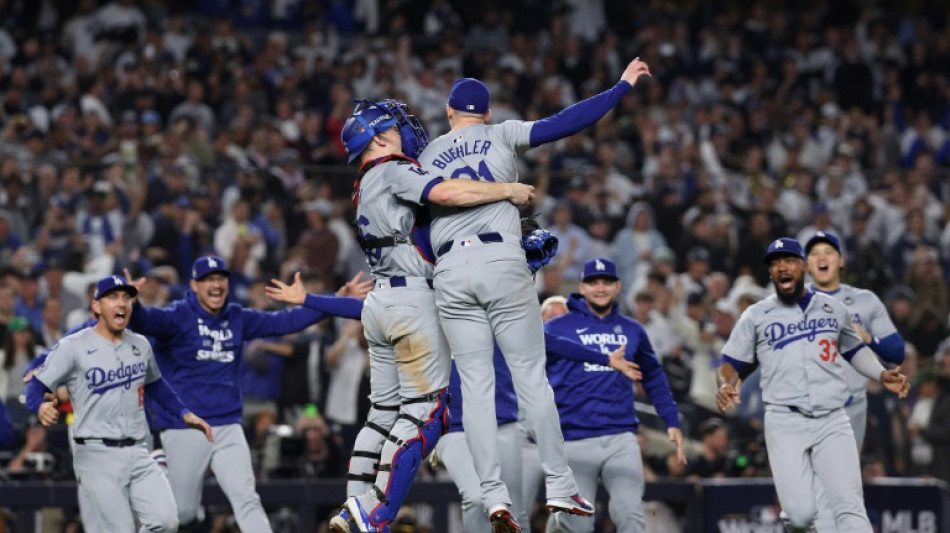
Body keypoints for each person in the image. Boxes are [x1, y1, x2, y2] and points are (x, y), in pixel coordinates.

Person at [415, 57, 653, 531]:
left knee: (477, 386)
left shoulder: (425, 157)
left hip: (449, 269)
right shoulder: (501, 133)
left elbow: (418, 234)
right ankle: (562, 486)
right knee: (530, 378)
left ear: (448, 112)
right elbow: (567, 122)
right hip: (501, 260)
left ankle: (492, 493)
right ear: (484, 114)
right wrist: (620, 87)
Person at [295, 97, 532, 533]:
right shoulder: (391, 168)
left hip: (381, 303)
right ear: (382, 135)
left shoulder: (366, 180)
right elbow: (443, 192)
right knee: (429, 414)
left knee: (383, 413)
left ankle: (354, 505)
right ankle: (377, 513)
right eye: (398, 127)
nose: (408, 132)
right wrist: (506, 191)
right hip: (412, 304)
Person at [122, 256, 369, 532]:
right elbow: (145, 321)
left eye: (221, 278)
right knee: (183, 514)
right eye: (208, 279)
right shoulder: (177, 316)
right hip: (186, 424)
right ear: (194, 285)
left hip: (228, 424)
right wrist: (132, 303)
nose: (216, 284)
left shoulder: (237, 317)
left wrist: (333, 300)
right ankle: (163, 465)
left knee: (246, 499)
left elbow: (286, 322)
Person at [716, 238, 910, 532]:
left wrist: (881, 374)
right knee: (802, 516)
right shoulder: (755, 315)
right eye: (775, 263)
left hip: (833, 418)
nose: (783, 267)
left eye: (789, 260)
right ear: (770, 273)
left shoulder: (832, 309)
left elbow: (853, 349)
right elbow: (730, 361)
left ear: (803, 266)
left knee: (849, 505)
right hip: (785, 420)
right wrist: (724, 383)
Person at [23, 275, 213, 533]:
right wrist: (39, 406)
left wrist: (183, 412)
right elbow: (35, 385)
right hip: (95, 452)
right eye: (112, 297)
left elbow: (156, 384)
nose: (121, 302)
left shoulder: (140, 344)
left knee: (167, 522)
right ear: (96, 306)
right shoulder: (74, 345)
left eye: (126, 297)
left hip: (137, 450)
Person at [543, 257, 685, 533]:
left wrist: (671, 420)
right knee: (577, 527)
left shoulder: (633, 329)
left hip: (620, 436)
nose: (600, 288)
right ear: (582, 288)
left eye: (606, 282)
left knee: (631, 517)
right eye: (593, 282)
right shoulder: (556, 327)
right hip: (573, 437)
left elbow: (654, 376)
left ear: (618, 286)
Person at [803, 231, 906, 531]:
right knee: (814, 489)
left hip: (852, 407)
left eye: (829, 251)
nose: (822, 257)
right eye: (815, 253)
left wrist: (867, 337)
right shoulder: (793, 302)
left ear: (841, 260)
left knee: (844, 486)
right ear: (807, 264)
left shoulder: (863, 300)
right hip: (810, 407)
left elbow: (897, 350)